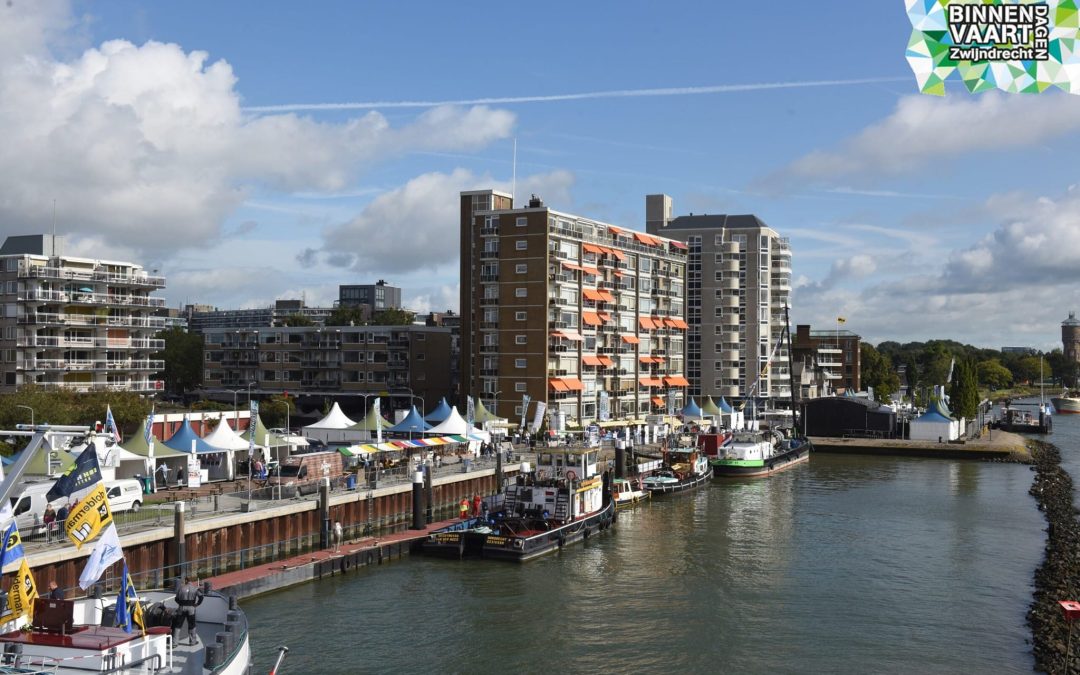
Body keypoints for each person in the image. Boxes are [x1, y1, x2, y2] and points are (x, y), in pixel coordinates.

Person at [172, 576, 204, 645]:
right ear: (192, 581)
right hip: (191, 608)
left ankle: (175, 643)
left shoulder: (181, 588)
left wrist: (181, 604)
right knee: (192, 624)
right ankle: (192, 641)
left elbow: (176, 599)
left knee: (178, 625)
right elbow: (201, 597)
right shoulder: (195, 589)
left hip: (181, 608)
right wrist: (197, 604)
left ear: (186, 580)